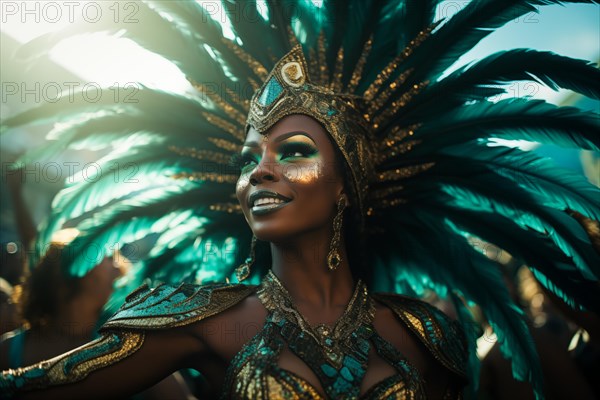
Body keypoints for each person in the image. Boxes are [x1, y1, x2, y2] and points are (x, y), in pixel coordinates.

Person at [1, 1, 599, 399]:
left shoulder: (430, 333)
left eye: (290, 151)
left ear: (347, 187)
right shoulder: (203, 320)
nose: (259, 172)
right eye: (247, 160)